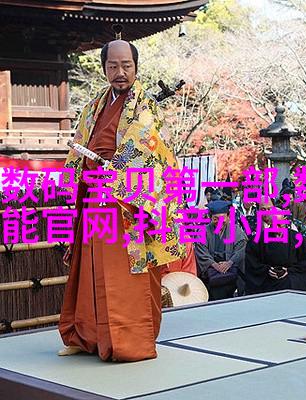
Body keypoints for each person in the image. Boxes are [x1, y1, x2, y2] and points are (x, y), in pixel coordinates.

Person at [58, 40, 185, 361]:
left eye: (126, 65)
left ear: (136, 67)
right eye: (113, 66)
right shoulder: (93, 107)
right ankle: (87, 336)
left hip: (127, 204)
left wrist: (116, 173)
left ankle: (128, 341)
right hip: (94, 199)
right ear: (104, 68)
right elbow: (79, 147)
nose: (120, 72)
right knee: (90, 271)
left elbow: (153, 154)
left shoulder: (146, 107)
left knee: (124, 275)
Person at [244, 199, 306, 294]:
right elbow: (252, 263)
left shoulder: (297, 238)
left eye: (279, 225)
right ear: (269, 223)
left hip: (291, 279)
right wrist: (267, 270)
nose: (276, 228)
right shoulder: (258, 240)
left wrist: (289, 271)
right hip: (266, 280)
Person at [194, 200, 247, 300]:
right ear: (210, 218)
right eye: (215, 219)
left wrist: (229, 263)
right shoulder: (203, 231)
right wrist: (214, 265)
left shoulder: (236, 230)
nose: (219, 222)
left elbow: (241, 249)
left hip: (232, 274)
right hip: (211, 274)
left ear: (228, 216)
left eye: (223, 218)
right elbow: (201, 252)